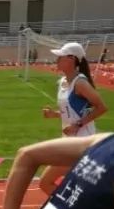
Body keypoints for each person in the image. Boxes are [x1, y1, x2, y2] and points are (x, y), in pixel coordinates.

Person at [39, 42, 109, 195]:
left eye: (60, 57)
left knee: (46, 182)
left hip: (81, 142)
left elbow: (101, 107)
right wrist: (55, 114)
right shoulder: (63, 82)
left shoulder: (81, 83)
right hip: (68, 139)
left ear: (71, 59)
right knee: (76, 189)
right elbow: (71, 112)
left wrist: (77, 125)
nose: (57, 60)